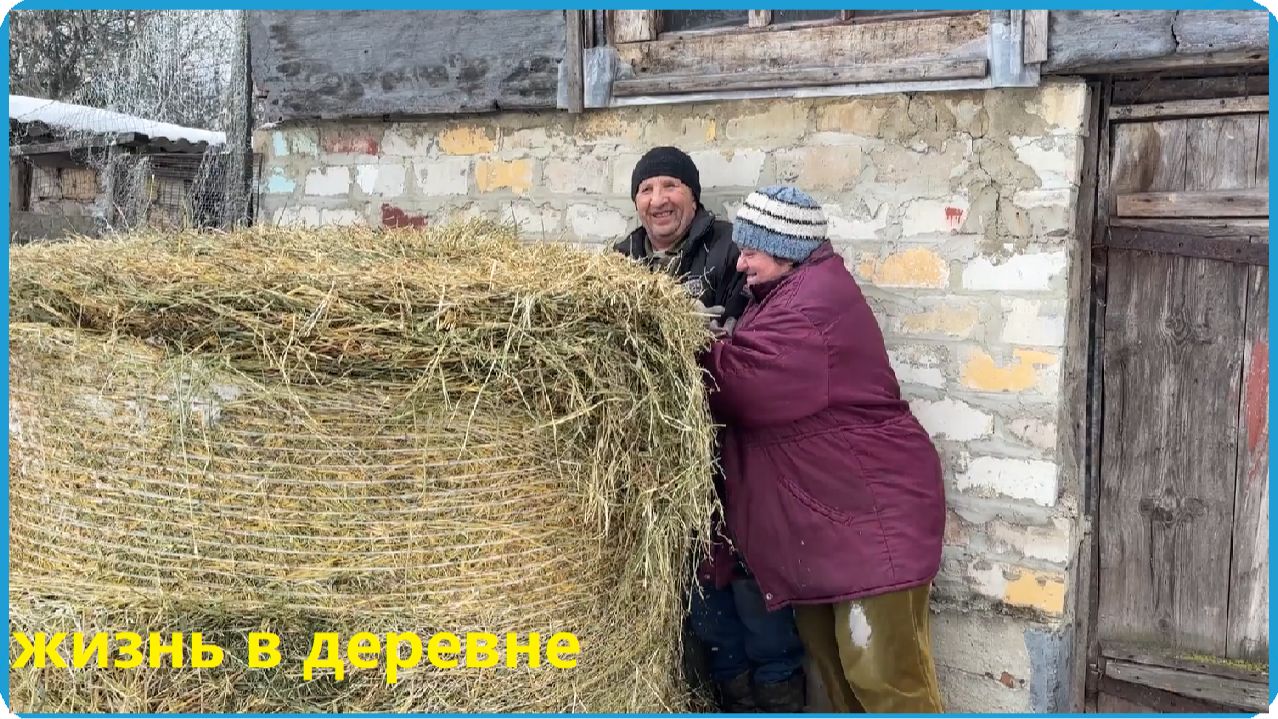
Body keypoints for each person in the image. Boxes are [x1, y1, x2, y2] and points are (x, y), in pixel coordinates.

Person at [701, 184, 947, 713]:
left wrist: (684, 345)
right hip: (833, 520)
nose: (740, 263)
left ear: (786, 250)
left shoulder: (810, 306)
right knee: (838, 676)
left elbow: (741, 386)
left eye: (751, 250)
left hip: (871, 518)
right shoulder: (785, 293)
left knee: (884, 681)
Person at [615, 148, 806, 713]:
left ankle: (779, 696)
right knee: (701, 588)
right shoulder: (620, 261)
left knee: (752, 581)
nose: (658, 200)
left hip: (731, 447)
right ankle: (731, 695)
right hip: (661, 457)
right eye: (646, 189)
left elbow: (749, 343)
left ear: (693, 195)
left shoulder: (730, 252)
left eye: (670, 186)